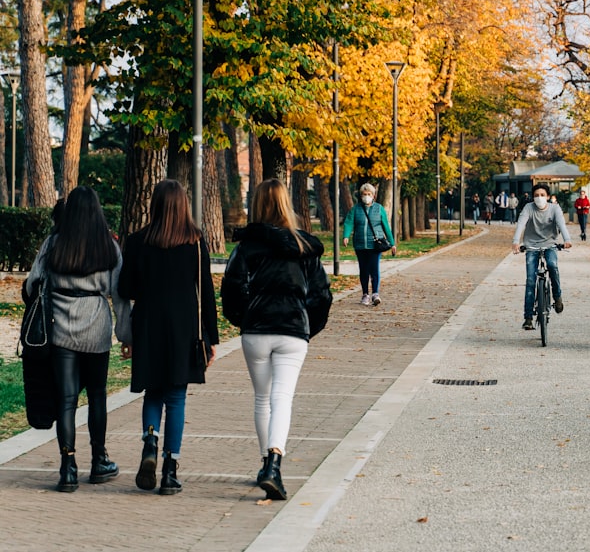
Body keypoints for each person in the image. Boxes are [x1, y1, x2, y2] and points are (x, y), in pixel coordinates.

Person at [221, 179, 332, 501]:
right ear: (287, 205)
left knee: (262, 398)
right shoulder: (303, 247)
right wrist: (309, 326)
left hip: (256, 328)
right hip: (292, 328)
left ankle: (264, 463)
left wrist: (244, 319)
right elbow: (322, 294)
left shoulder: (246, 247)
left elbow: (231, 287)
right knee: (282, 396)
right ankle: (274, 461)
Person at [24, 187, 130, 492]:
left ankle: (67, 466)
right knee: (97, 395)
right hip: (96, 327)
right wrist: (126, 335)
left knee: (67, 399)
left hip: (60, 328)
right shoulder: (109, 247)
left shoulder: (54, 243)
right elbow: (120, 296)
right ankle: (99, 460)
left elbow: (33, 283)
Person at [119, 179, 219, 496]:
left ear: (155, 205)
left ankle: (150, 439)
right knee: (176, 398)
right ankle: (170, 470)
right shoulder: (195, 242)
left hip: (148, 324)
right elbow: (205, 293)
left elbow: (126, 289)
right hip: (183, 328)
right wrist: (211, 338)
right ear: (183, 205)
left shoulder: (137, 242)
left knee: (153, 392)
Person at [512, 183, 573, 330]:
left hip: (550, 244)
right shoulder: (528, 208)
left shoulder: (554, 208)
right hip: (531, 245)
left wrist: (567, 240)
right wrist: (515, 242)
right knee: (531, 280)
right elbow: (521, 224)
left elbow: (562, 224)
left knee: (552, 265)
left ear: (547, 196)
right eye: (537, 195)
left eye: (542, 195)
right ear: (533, 198)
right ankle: (528, 317)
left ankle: (557, 297)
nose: (539, 198)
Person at [343, 182, 396, 306]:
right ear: (360, 196)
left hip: (375, 244)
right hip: (360, 244)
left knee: (374, 269)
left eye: (369, 194)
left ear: (373, 195)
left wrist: (392, 243)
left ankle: (375, 293)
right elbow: (349, 222)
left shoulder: (379, 209)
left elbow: (386, 227)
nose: (366, 196)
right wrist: (346, 236)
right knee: (364, 270)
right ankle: (365, 294)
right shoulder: (356, 209)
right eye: (364, 194)